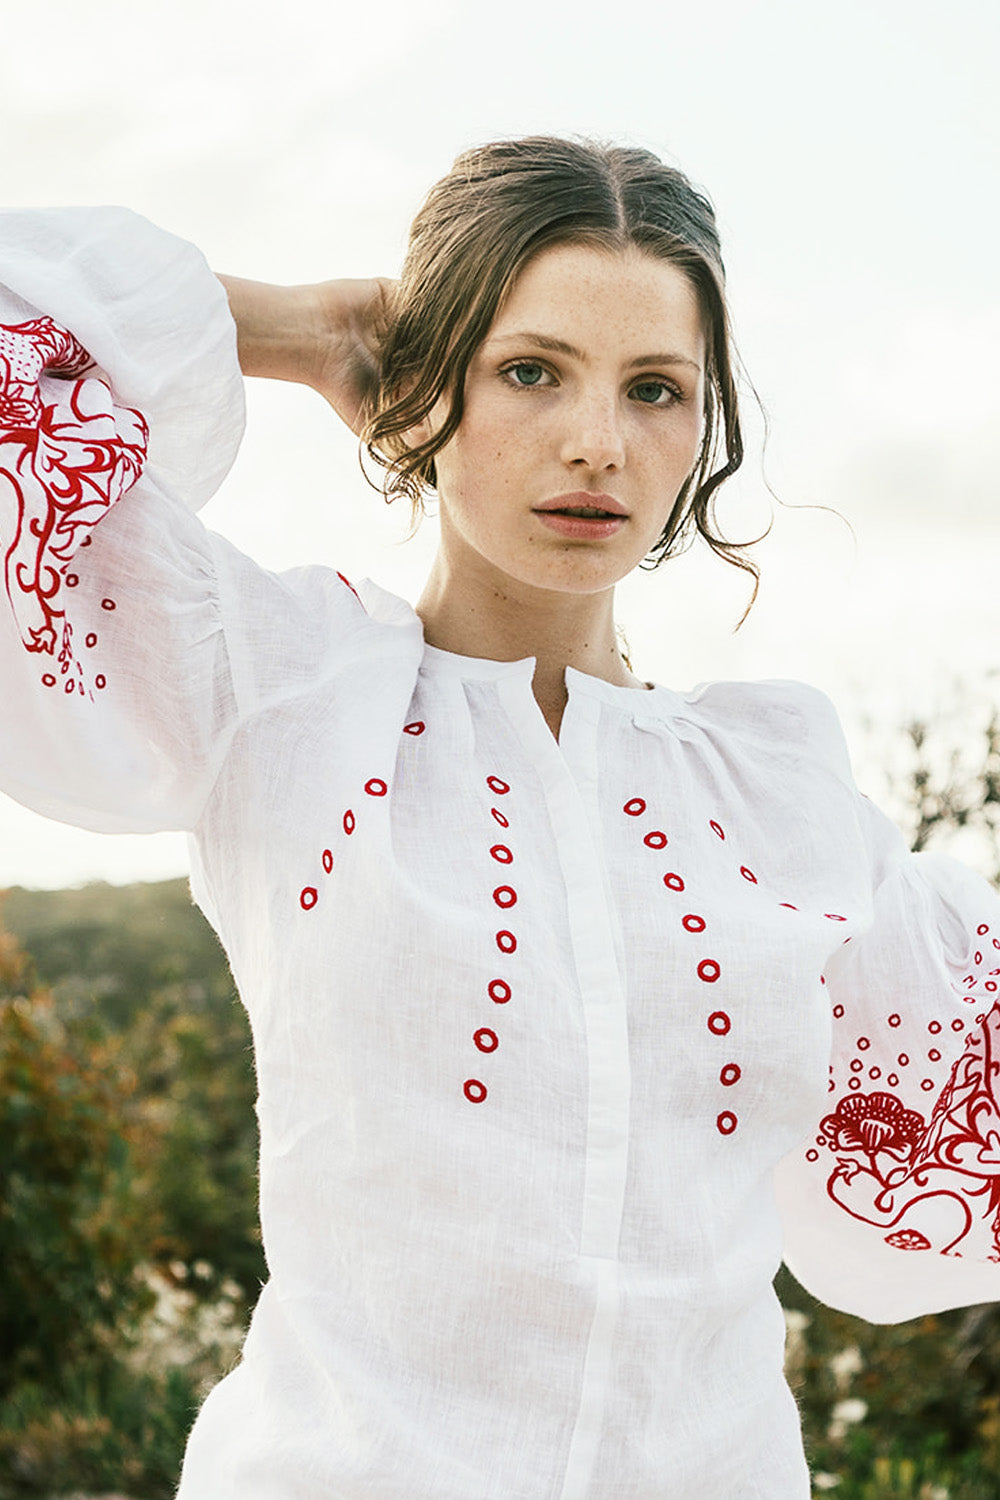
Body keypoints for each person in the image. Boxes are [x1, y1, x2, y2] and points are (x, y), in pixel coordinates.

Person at [0, 136, 997, 1499]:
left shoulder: (781, 792)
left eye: (656, 388)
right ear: (428, 384)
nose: (598, 441)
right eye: (530, 370)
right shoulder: (278, 691)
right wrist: (302, 328)